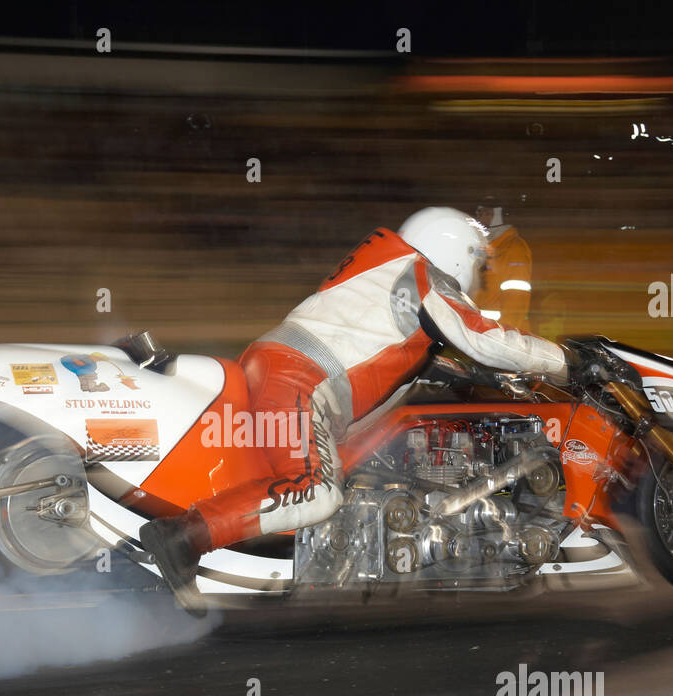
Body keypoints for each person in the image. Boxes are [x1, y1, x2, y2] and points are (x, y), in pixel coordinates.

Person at [139, 207, 569, 613]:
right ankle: (182, 538)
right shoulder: (425, 277)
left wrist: (476, 378)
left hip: (279, 366)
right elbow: (483, 338)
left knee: (341, 474)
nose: (478, 277)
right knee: (318, 490)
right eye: (478, 265)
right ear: (457, 254)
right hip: (301, 380)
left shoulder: (391, 271)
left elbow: (401, 353)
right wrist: (565, 361)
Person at [473, 198, 534, 333]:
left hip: (500, 335)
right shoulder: (482, 247)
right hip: (480, 332)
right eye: (478, 212)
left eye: (485, 212)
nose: (479, 217)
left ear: (497, 216)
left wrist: (507, 335)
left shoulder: (513, 248)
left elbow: (516, 297)